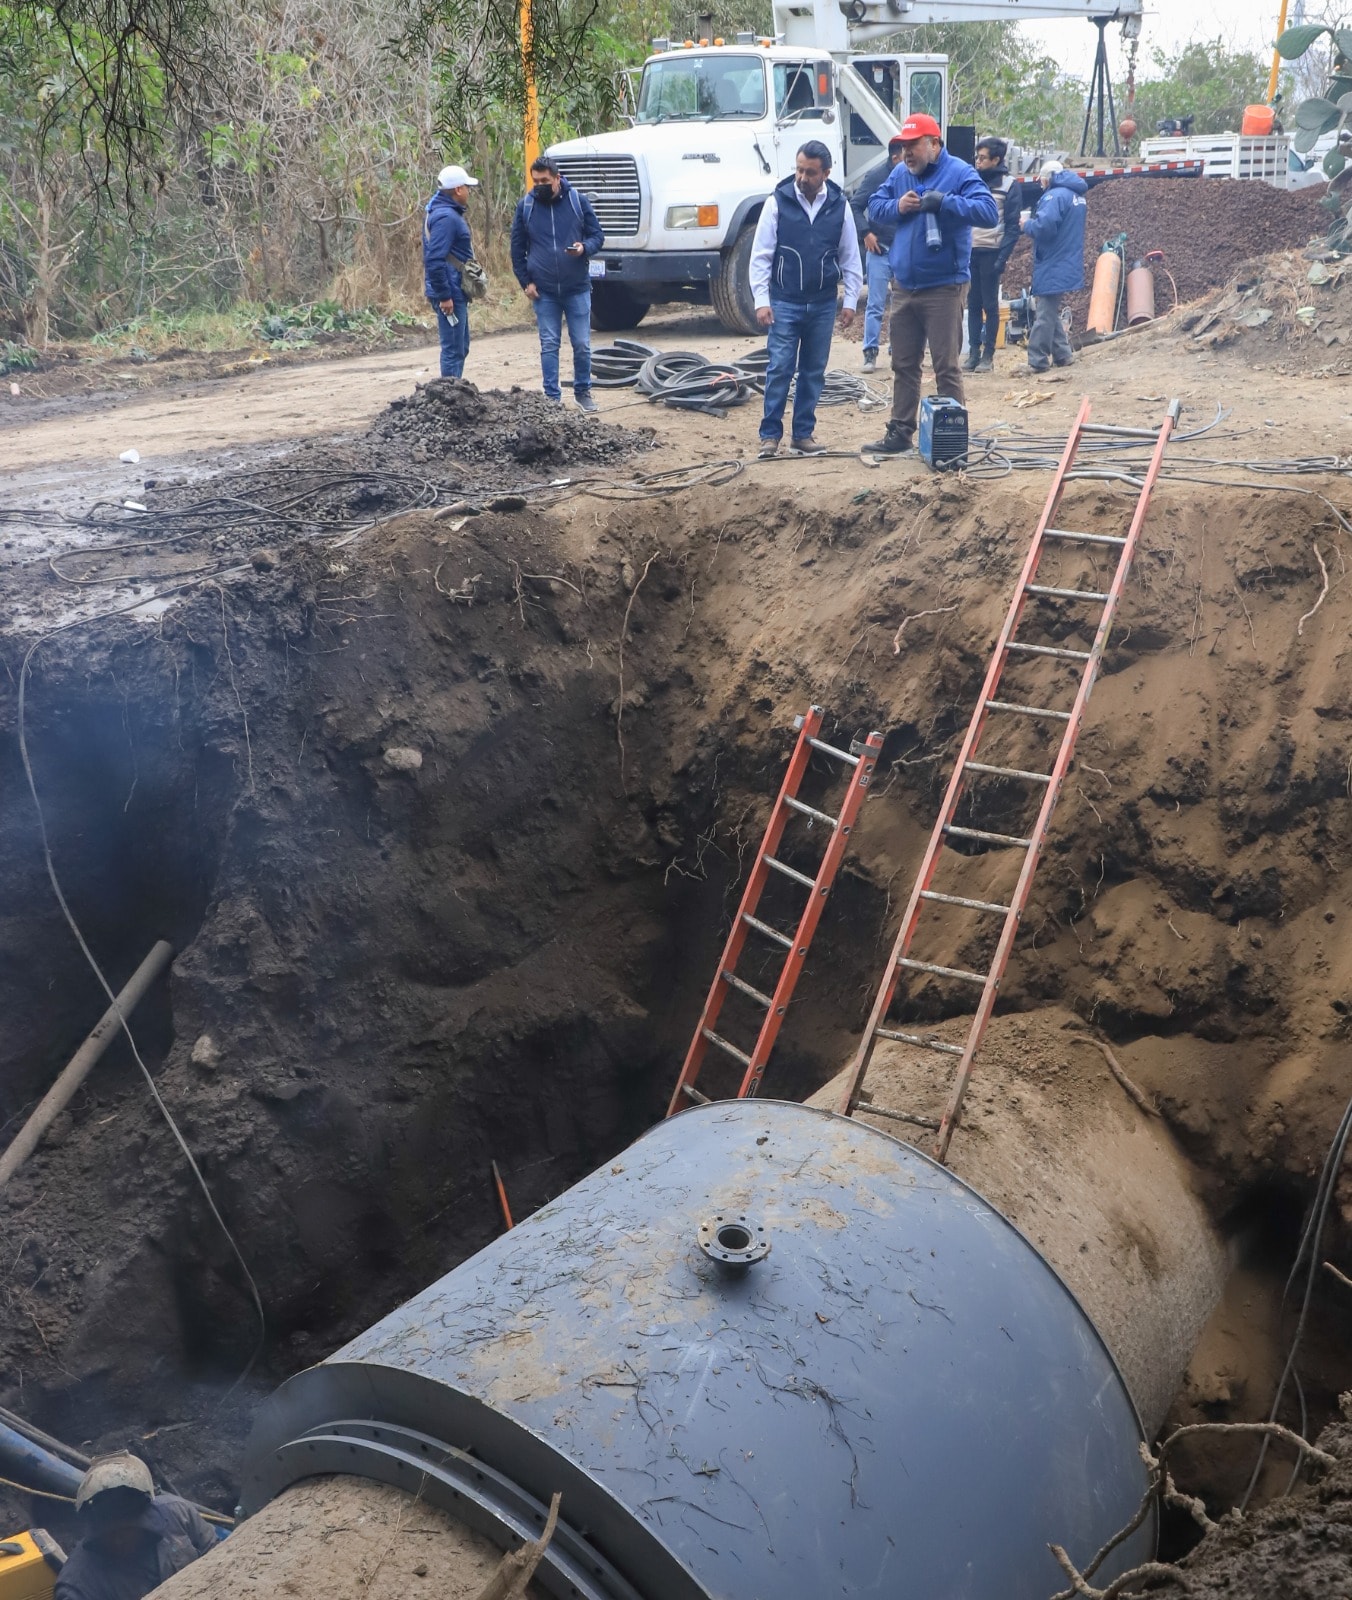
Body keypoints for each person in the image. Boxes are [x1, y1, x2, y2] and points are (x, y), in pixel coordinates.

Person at [861, 113, 999, 456]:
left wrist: (946, 202)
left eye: (914, 146)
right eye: (904, 146)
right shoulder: (899, 174)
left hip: (943, 287)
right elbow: (874, 207)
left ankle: (952, 440)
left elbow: (988, 212)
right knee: (904, 364)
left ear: (935, 144)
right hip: (905, 287)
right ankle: (900, 432)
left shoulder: (960, 172)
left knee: (946, 366)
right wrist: (898, 206)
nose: (907, 153)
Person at [750, 140, 862, 458]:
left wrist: (850, 301)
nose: (802, 177)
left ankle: (803, 435)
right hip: (785, 301)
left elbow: (851, 256)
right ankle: (769, 436)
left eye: (810, 172)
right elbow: (761, 255)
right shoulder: (778, 202)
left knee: (813, 371)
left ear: (826, 173)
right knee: (780, 368)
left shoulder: (840, 205)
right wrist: (762, 299)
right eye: (799, 169)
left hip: (824, 304)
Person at [510, 155, 605, 411]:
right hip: (544, 292)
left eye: (545, 180)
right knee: (549, 344)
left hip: (577, 288)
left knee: (582, 344)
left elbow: (598, 236)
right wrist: (525, 282)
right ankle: (552, 398)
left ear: (557, 178)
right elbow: (517, 248)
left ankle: (583, 392)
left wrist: (584, 248)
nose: (539, 184)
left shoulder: (577, 201)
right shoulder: (526, 206)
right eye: (535, 180)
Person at [55, 1453, 219, 1600]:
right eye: (110, 1534)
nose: (118, 1540)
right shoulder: (78, 1585)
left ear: (145, 1515)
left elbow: (220, 1557)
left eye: (125, 1531)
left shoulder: (179, 1514)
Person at [1020, 159, 1088, 373]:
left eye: (1041, 180)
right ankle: (1063, 354)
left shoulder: (1054, 196)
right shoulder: (1076, 196)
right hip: (1067, 260)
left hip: (1053, 261)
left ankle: (1037, 360)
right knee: (1050, 309)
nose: (1041, 184)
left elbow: (1044, 227)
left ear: (1047, 178)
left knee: (1044, 313)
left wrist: (1026, 224)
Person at [965, 137, 1023, 373]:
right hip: (970, 252)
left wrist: (1002, 258)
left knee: (990, 305)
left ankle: (988, 355)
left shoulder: (1009, 185)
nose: (978, 162)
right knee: (972, 303)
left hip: (991, 252)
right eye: (977, 158)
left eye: (982, 158)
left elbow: (1012, 226)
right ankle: (973, 353)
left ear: (996, 160)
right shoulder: (971, 182)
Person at [851, 134, 906, 373]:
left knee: (903, 304)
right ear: (895, 158)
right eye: (906, 155)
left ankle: (899, 350)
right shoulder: (876, 177)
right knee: (875, 304)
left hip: (904, 251)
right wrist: (865, 233)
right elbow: (854, 206)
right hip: (879, 249)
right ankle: (870, 353)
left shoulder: (912, 176)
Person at [422, 164, 479, 380]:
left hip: (453, 289)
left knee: (460, 346)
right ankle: (450, 398)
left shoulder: (439, 211)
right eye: (466, 187)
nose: (468, 191)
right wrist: (444, 296)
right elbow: (434, 259)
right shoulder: (446, 218)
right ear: (457, 190)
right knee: (453, 350)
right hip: (450, 291)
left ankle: (454, 392)